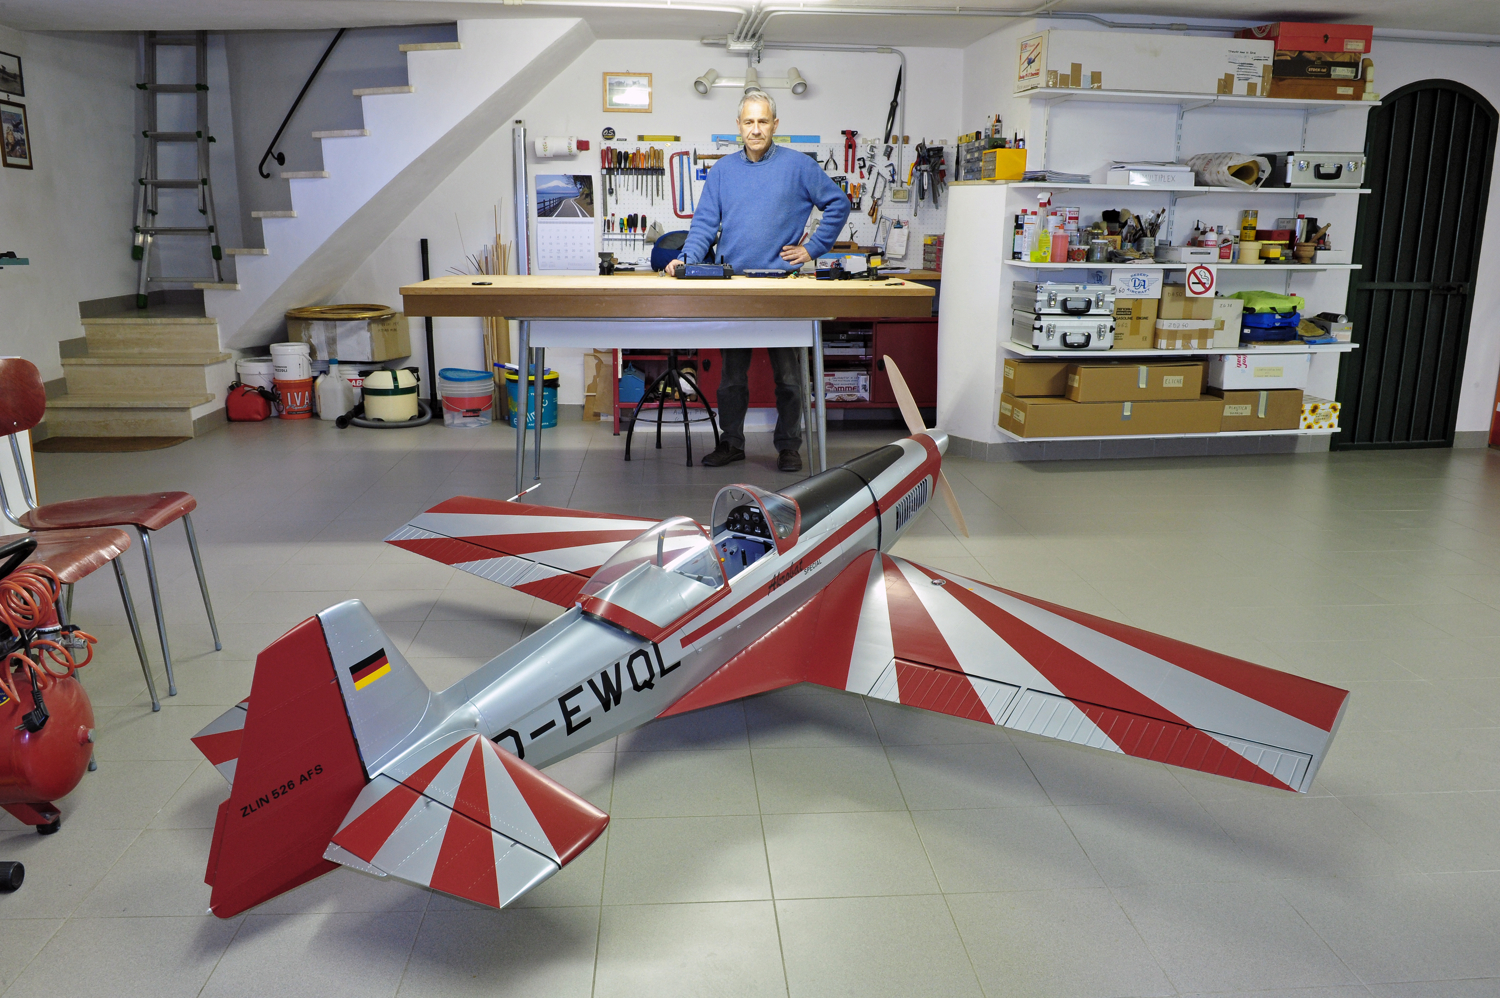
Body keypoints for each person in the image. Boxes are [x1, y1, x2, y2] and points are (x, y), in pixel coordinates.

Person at [667, 88, 850, 472]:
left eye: (762, 121)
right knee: (731, 377)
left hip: (782, 285)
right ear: (738, 125)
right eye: (748, 122)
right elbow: (703, 226)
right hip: (734, 286)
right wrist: (685, 260)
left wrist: (812, 249)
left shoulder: (799, 166)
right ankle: (732, 442)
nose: (755, 129)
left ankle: (789, 447)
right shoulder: (722, 171)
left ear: (775, 124)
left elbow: (838, 203)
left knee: (790, 378)